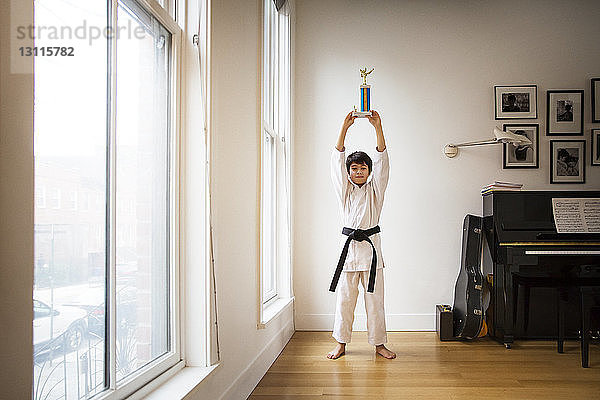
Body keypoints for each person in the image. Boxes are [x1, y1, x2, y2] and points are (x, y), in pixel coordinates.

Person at [326, 110, 396, 360]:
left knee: (375, 302)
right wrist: (344, 127)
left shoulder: (375, 192)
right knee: (344, 303)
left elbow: (382, 163)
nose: (358, 172)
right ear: (349, 173)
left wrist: (378, 126)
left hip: (372, 253)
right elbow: (337, 162)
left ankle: (379, 345)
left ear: (368, 172)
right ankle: (341, 343)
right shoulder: (344, 192)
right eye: (354, 168)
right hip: (348, 254)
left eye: (362, 168)